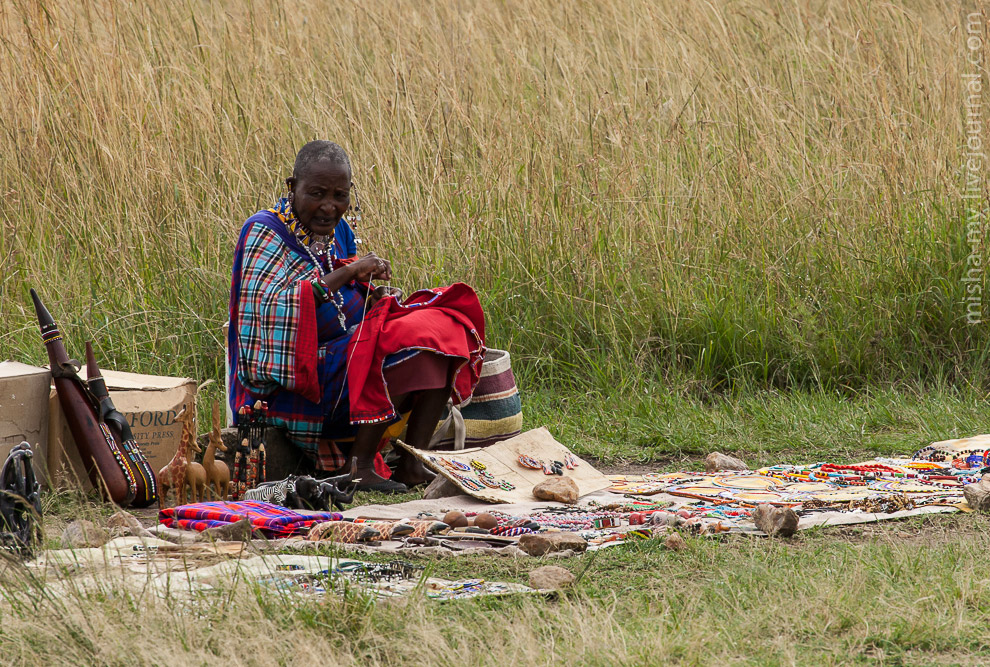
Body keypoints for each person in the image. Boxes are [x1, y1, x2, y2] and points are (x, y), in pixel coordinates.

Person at [228, 141, 486, 493]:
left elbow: (343, 298)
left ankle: (414, 461)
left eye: (340, 195)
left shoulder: (339, 231)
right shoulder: (264, 231)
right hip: (294, 382)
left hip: (345, 355)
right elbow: (273, 307)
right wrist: (350, 274)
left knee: (443, 327)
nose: (329, 207)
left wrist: (376, 297)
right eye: (316, 193)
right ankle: (360, 466)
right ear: (291, 188)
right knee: (395, 343)